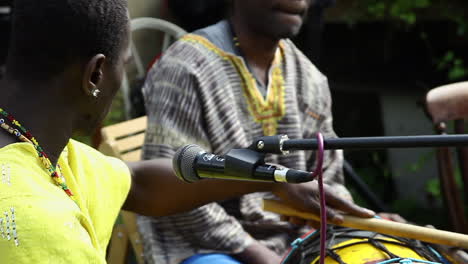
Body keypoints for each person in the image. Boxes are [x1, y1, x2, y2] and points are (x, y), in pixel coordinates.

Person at [0, 1, 374, 263]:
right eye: (126, 64)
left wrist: (269, 180)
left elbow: (141, 184)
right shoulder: (34, 226)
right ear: (96, 75)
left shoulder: (46, 153)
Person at [139, 0, 375, 264]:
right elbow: (174, 195)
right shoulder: (183, 68)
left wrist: (359, 223)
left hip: (296, 239)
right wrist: (261, 255)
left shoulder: (310, 77)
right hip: (204, 246)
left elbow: (328, 177)